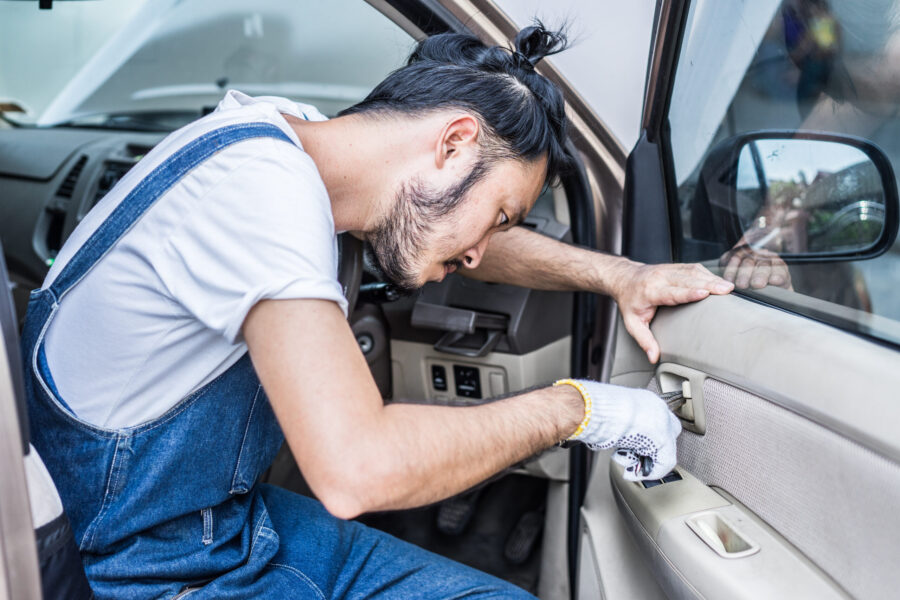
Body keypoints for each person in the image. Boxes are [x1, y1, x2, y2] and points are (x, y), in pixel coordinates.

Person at [23, 24, 734, 599]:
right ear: (453, 142)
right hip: (137, 569)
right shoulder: (259, 193)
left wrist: (621, 276)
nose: (479, 253)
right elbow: (356, 470)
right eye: (500, 214)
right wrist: (582, 409)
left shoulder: (299, 148)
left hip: (217, 526)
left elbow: (448, 226)